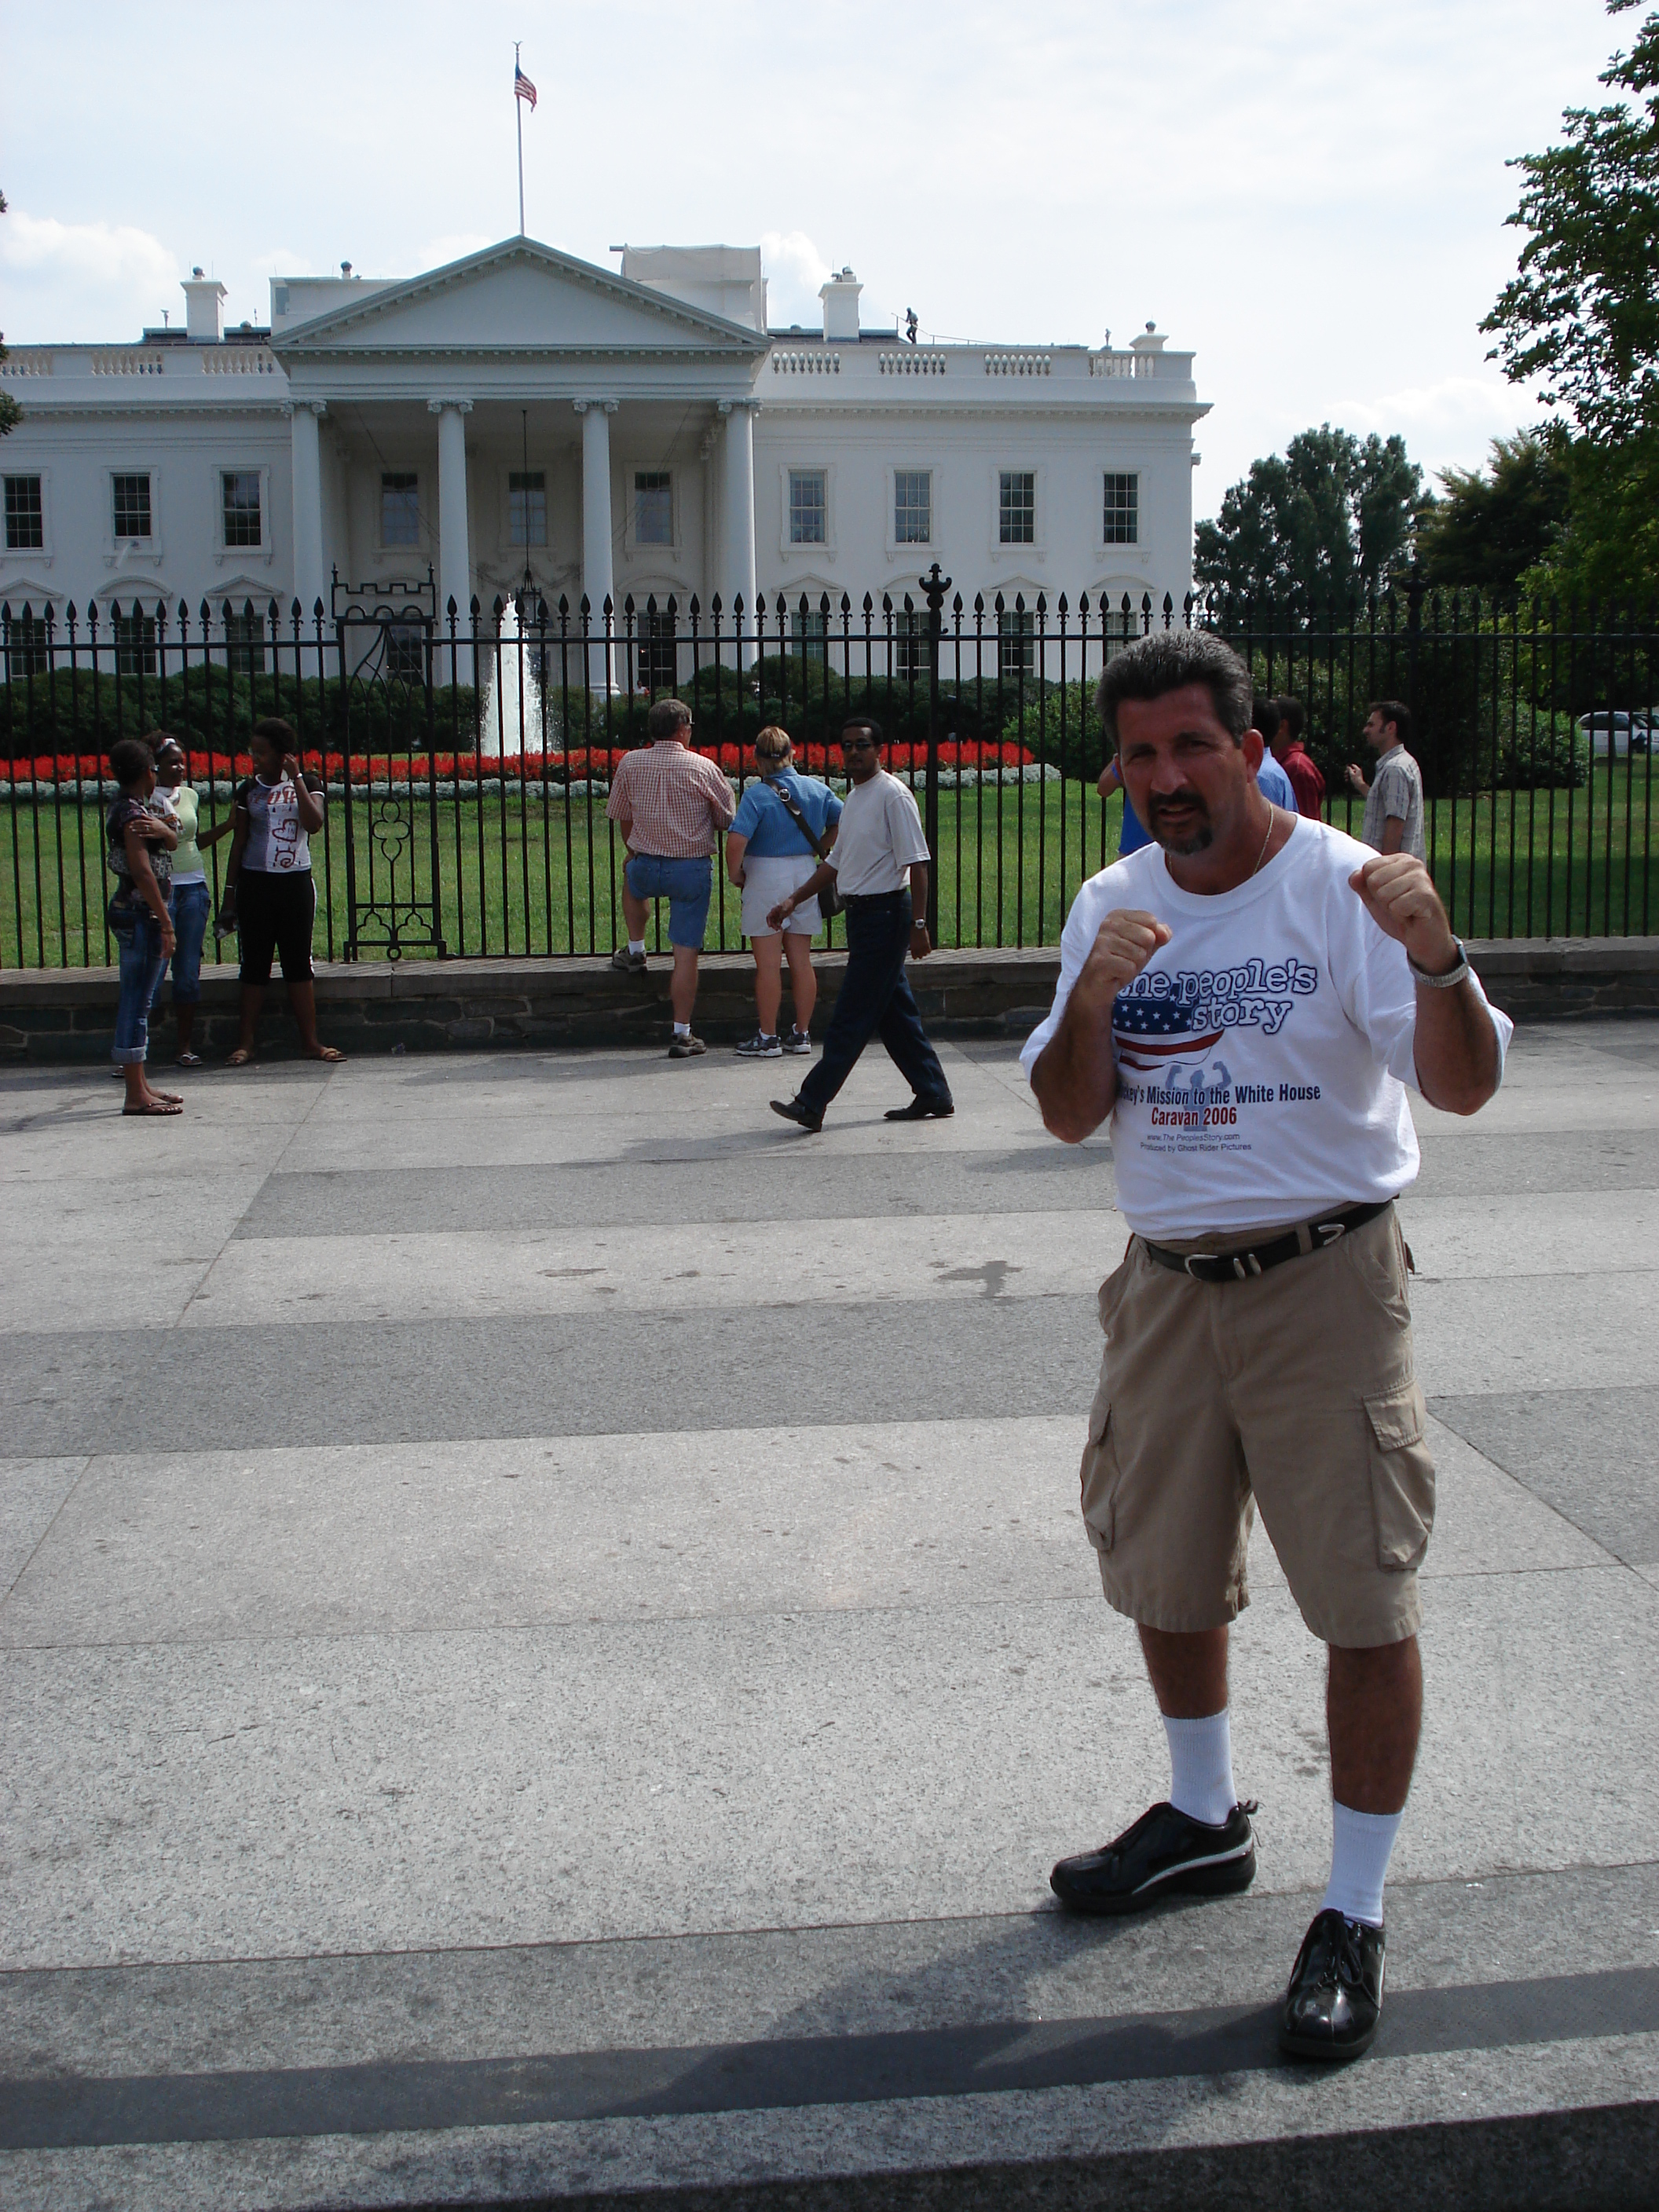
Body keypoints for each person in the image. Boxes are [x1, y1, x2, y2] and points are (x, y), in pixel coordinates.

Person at [1023, 629, 1511, 2063]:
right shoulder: (1107, 901)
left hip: (1323, 1280)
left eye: (1190, 746)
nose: (1165, 777)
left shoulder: (1340, 891)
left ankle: (1352, 1909)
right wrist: (1096, 998)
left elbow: (1461, 1089)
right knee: (1162, 1567)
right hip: (1165, 1287)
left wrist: (1440, 956)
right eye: (1140, 752)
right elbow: (1063, 1111)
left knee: (1361, 1598)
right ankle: (1200, 1817)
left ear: (1248, 747)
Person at [767, 716, 954, 1133]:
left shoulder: (893, 796)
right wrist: (794, 899)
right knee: (894, 1014)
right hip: (863, 916)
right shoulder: (855, 797)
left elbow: (918, 863)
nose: (853, 752)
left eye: (862, 745)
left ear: (879, 750)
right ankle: (933, 1092)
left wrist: (919, 924)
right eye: (847, 745)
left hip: (887, 915)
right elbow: (836, 862)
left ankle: (812, 1102)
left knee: (851, 1015)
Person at [606, 697, 737, 1058]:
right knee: (685, 954)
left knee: (632, 882)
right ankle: (681, 1032)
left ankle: (635, 948)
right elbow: (728, 818)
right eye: (690, 726)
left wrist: (633, 851)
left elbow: (621, 813)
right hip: (690, 868)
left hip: (646, 863)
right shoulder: (703, 767)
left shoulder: (631, 763)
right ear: (682, 729)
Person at [221, 717, 345, 1067]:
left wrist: (299, 780)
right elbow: (239, 842)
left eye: (261, 752)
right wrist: (231, 892)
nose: (254, 758)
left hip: (294, 883)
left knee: (297, 964)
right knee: (254, 964)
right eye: (252, 752)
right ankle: (246, 1042)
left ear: (282, 754)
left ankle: (310, 1041)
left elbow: (314, 823)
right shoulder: (248, 790)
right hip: (256, 883)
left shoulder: (310, 784)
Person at [725, 725, 842, 1059]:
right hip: (806, 872)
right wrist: (821, 845)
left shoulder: (757, 795)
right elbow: (843, 820)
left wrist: (737, 874)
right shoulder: (815, 789)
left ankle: (767, 1036)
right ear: (793, 753)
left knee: (768, 964)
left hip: (765, 873)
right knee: (802, 960)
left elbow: (737, 842)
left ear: (757, 758)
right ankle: (802, 1033)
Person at [1099, 701, 1298, 854]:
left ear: (1249, 755)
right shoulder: (1108, 893)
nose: (1167, 783)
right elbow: (1103, 787)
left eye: (1193, 747)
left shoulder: (1266, 777)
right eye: (1142, 754)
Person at [104, 736, 182, 1117]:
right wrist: (166, 923)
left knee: (141, 1001)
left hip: (139, 914)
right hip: (140, 915)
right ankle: (135, 1094)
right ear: (147, 773)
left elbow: (172, 839)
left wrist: (165, 831)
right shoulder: (132, 816)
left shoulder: (135, 809)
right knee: (136, 1002)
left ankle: (142, 1084)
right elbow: (142, 871)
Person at [148, 734, 233, 1066]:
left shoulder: (190, 796)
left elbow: (193, 841)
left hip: (194, 888)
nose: (180, 767)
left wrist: (227, 826)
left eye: (182, 761)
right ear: (155, 765)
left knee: (187, 971)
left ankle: (184, 1046)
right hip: (163, 889)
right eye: (172, 762)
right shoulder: (145, 798)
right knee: (153, 970)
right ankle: (135, 1049)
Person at [1346, 700, 1426, 860]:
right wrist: (1361, 785)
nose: (1365, 730)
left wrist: (1385, 868)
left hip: (1392, 872)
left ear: (1390, 728)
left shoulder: (1395, 768)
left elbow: (1395, 823)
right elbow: (1387, 804)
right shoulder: (1405, 762)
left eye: (1371, 725)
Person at [1269, 696, 1327, 821]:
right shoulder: (1284, 763)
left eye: (1269, 719)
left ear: (1282, 726)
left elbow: (1307, 824)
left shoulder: (1297, 768)